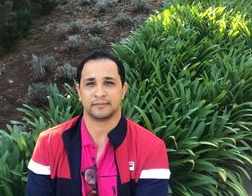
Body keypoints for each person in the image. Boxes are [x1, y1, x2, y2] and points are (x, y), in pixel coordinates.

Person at [26, 50, 170, 195]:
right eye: (90, 84)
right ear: (79, 92)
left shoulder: (150, 148)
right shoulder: (49, 143)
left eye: (109, 83)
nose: (100, 93)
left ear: (123, 90)